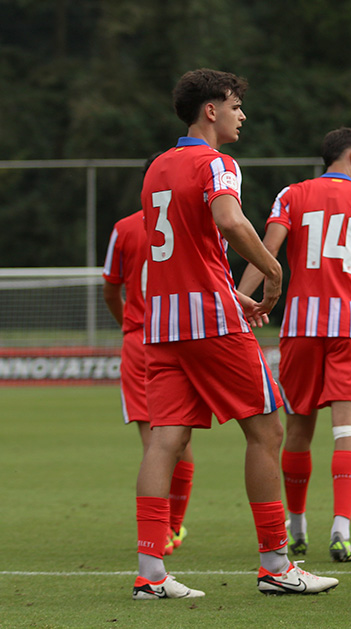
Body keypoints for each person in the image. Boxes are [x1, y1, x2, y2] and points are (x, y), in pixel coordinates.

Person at [133, 68, 338, 600]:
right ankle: (276, 564)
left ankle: (150, 574)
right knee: (268, 431)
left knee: (166, 440)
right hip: (208, 324)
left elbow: (188, 253)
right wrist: (272, 271)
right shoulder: (217, 163)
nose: (241, 114)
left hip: (163, 321)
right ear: (211, 111)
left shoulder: (157, 165)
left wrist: (231, 293)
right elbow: (228, 222)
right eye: (235, 105)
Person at [239, 127, 351, 563]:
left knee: (298, 430)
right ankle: (341, 531)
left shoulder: (291, 194)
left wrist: (242, 299)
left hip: (302, 327)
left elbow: (265, 251)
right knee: (347, 428)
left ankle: (297, 527)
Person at [104, 153, 195, 558]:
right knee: (182, 443)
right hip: (182, 334)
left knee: (156, 445)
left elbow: (111, 288)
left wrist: (130, 322)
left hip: (141, 341)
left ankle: (158, 538)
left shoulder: (124, 229)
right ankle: (172, 530)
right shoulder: (187, 220)